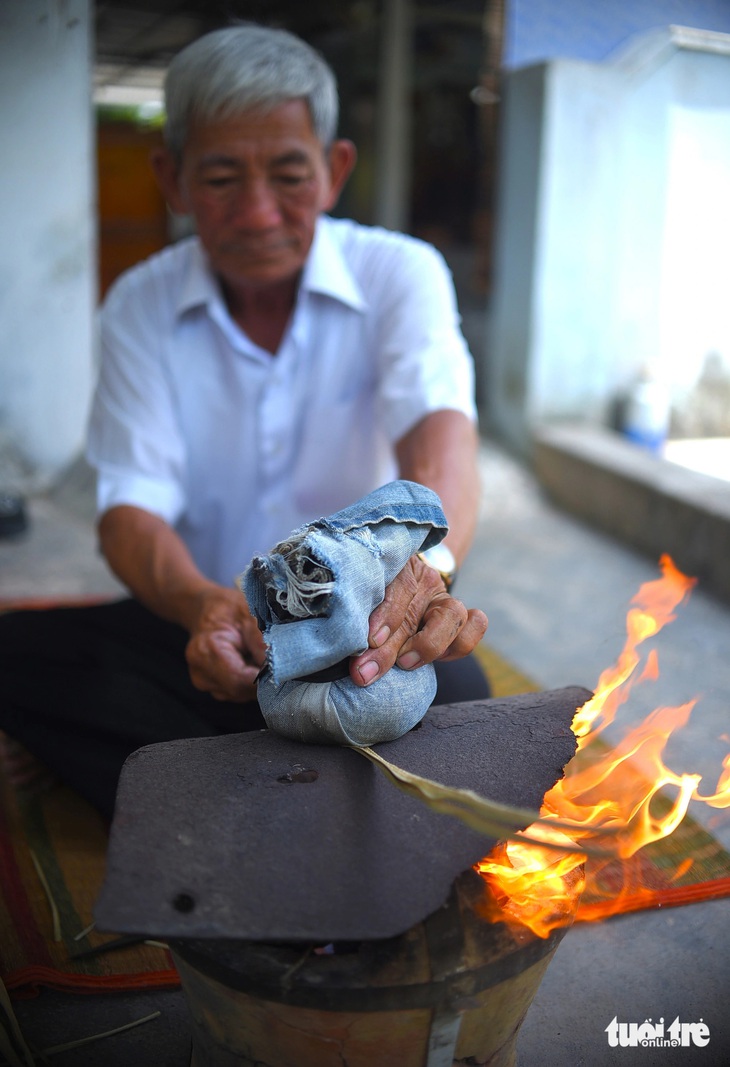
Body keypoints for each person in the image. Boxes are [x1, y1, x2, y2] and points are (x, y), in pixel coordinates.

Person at [0, 23, 489, 820]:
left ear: (334, 172)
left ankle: (201, 789)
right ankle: (298, 797)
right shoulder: (141, 304)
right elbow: (130, 512)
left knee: (461, 691)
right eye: (222, 178)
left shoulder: (400, 274)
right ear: (173, 179)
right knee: (16, 654)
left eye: (289, 175)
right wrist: (201, 606)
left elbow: (443, 444)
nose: (259, 213)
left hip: (359, 632)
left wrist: (423, 577)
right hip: (207, 627)